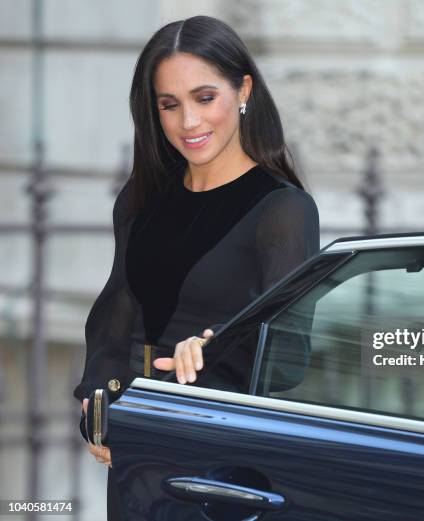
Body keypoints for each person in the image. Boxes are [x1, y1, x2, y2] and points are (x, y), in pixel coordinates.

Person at [72, 15, 319, 520]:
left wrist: (217, 345)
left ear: (243, 89)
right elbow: (115, 316)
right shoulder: (142, 200)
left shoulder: (282, 210)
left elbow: (290, 353)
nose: (189, 123)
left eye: (205, 98)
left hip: (218, 452)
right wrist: (99, 405)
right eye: (170, 105)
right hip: (137, 441)